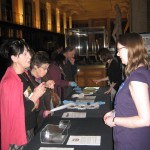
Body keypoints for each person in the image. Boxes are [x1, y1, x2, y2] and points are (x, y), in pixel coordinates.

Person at [104, 33, 150, 150]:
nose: (117, 54)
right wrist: (115, 111)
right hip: (129, 137)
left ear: (130, 49)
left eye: (119, 50)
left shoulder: (137, 78)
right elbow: (133, 104)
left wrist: (115, 120)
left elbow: (145, 119)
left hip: (132, 140)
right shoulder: (137, 73)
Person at [0, 39, 46, 150]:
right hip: (18, 135)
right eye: (24, 54)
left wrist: (38, 104)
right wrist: (35, 97)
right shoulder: (9, 82)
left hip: (29, 128)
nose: (29, 56)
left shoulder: (25, 74)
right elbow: (15, 115)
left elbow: (28, 101)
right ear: (14, 58)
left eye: (28, 52)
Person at [27, 51, 55, 129]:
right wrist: (42, 113)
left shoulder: (43, 77)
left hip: (45, 118)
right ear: (35, 66)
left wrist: (48, 85)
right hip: (34, 123)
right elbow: (28, 105)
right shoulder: (27, 81)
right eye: (44, 68)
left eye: (47, 68)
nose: (46, 71)